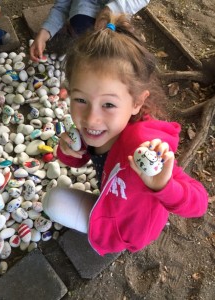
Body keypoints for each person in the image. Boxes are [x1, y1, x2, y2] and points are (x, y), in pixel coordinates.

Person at [42, 11, 208, 256]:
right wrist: (69, 152)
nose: (91, 118)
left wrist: (164, 185)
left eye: (108, 104)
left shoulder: (145, 146)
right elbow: (82, 157)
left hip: (131, 229)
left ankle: (116, 242)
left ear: (137, 103)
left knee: (53, 202)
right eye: (80, 99)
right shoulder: (101, 125)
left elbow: (200, 203)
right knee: (52, 201)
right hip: (111, 202)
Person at [30, 0, 150, 61]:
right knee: (82, 25)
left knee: (114, 49)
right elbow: (62, 7)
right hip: (87, 4)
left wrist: (112, 9)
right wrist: (45, 32)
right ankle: (76, 33)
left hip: (120, 6)